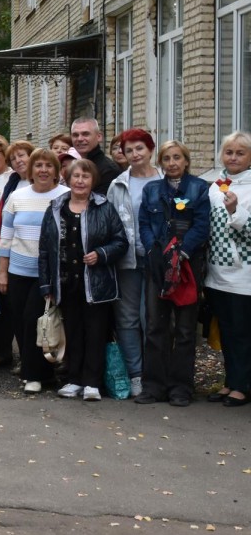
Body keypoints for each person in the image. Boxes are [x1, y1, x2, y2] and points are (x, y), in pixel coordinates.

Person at [39, 160, 127, 401]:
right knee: (73, 333)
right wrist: (46, 285)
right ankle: (74, 379)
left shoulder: (104, 207)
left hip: (96, 284)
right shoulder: (56, 207)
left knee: (96, 333)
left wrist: (101, 254)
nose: (80, 181)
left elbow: (121, 242)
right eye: (75, 176)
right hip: (66, 282)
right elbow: (45, 249)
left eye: (85, 177)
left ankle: (92, 383)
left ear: (93, 181)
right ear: (68, 179)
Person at [137, 140, 210, 407]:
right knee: (156, 326)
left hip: (187, 267)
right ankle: (154, 386)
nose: (172, 163)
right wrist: (152, 249)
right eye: (167, 158)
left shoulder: (199, 188)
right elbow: (144, 222)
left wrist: (181, 253)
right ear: (161, 162)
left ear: (186, 161)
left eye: (177, 157)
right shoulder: (152, 189)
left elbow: (202, 225)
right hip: (156, 267)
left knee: (185, 330)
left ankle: (181, 387)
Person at [0, 148, 69, 394]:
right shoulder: (17, 196)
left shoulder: (65, 196)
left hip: (48, 273)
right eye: (38, 165)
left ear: (56, 171)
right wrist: (2, 272)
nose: (43, 170)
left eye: (49, 166)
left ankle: (34, 375)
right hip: (18, 270)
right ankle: (40, 371)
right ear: (31, 170)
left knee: (35, 320)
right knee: (20, 321)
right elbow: (5, 237)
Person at [105, 128, 161, 397]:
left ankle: (154, 374)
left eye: (140, 148)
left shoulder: (165, 180)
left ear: (150, 150)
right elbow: (112, 223)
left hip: (157, 260)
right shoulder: (118, 184)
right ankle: (136, 374)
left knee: (152, 317)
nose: (135, 154)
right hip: (127, 261)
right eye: (129, 150)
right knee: (127, 319)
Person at [205, 131, 251, 407]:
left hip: (244, 274)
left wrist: (236, 212)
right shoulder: (215, 186)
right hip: (217, 272)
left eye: (240, 153)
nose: (233, 158)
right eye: (229, 152)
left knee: (243, 331)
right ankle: (231, 381)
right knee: (227, 331)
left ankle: (242, 385)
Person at [0, 139, 35, 367]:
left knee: (31, 311)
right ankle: (16, 355)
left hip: (36, 256)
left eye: (22, 156)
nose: (18, 161)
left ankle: (35, 360)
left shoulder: (43, 182)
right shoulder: (13, 182)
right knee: (10, 307)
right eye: (14, 158)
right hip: (11, 252)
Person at [70, 117, 119, 194]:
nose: (79, 139)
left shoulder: (108, 170)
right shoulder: (75, 165)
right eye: (75, 135)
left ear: (99, 137)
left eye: (85, 134)